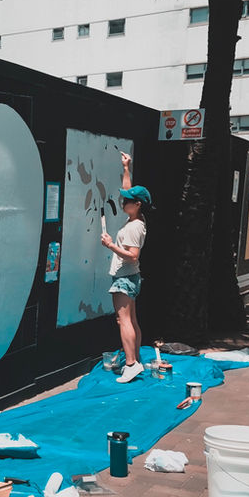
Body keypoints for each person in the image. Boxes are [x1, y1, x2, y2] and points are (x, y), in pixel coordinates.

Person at [100, 151, 151, 384]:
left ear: (137, 205)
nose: (123, 202)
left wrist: (111, 245)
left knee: (124, 321)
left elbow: (132, 255)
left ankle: (131, 364)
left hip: (124, 277)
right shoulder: (136, 220)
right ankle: (136, 359)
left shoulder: (132, 228)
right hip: (131, 277)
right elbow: (128, 190)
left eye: (127, 201)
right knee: (132, 320)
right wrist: (126, 168)